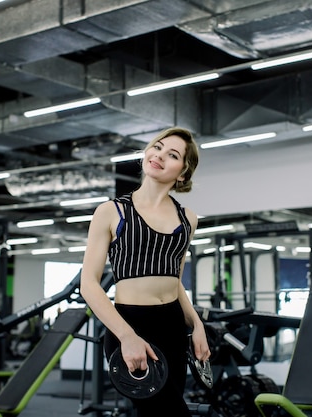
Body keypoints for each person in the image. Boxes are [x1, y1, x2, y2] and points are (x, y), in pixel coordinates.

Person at [80, 126, 210, 417]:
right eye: (158, 147)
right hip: (129, 322)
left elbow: (174, 281)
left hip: (173, 325)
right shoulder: (112, 211)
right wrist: (127, 336)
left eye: (172, 154)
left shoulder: (187, 219)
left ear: (183, 174)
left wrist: (196, 323)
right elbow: (88, 284)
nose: (160, 155)